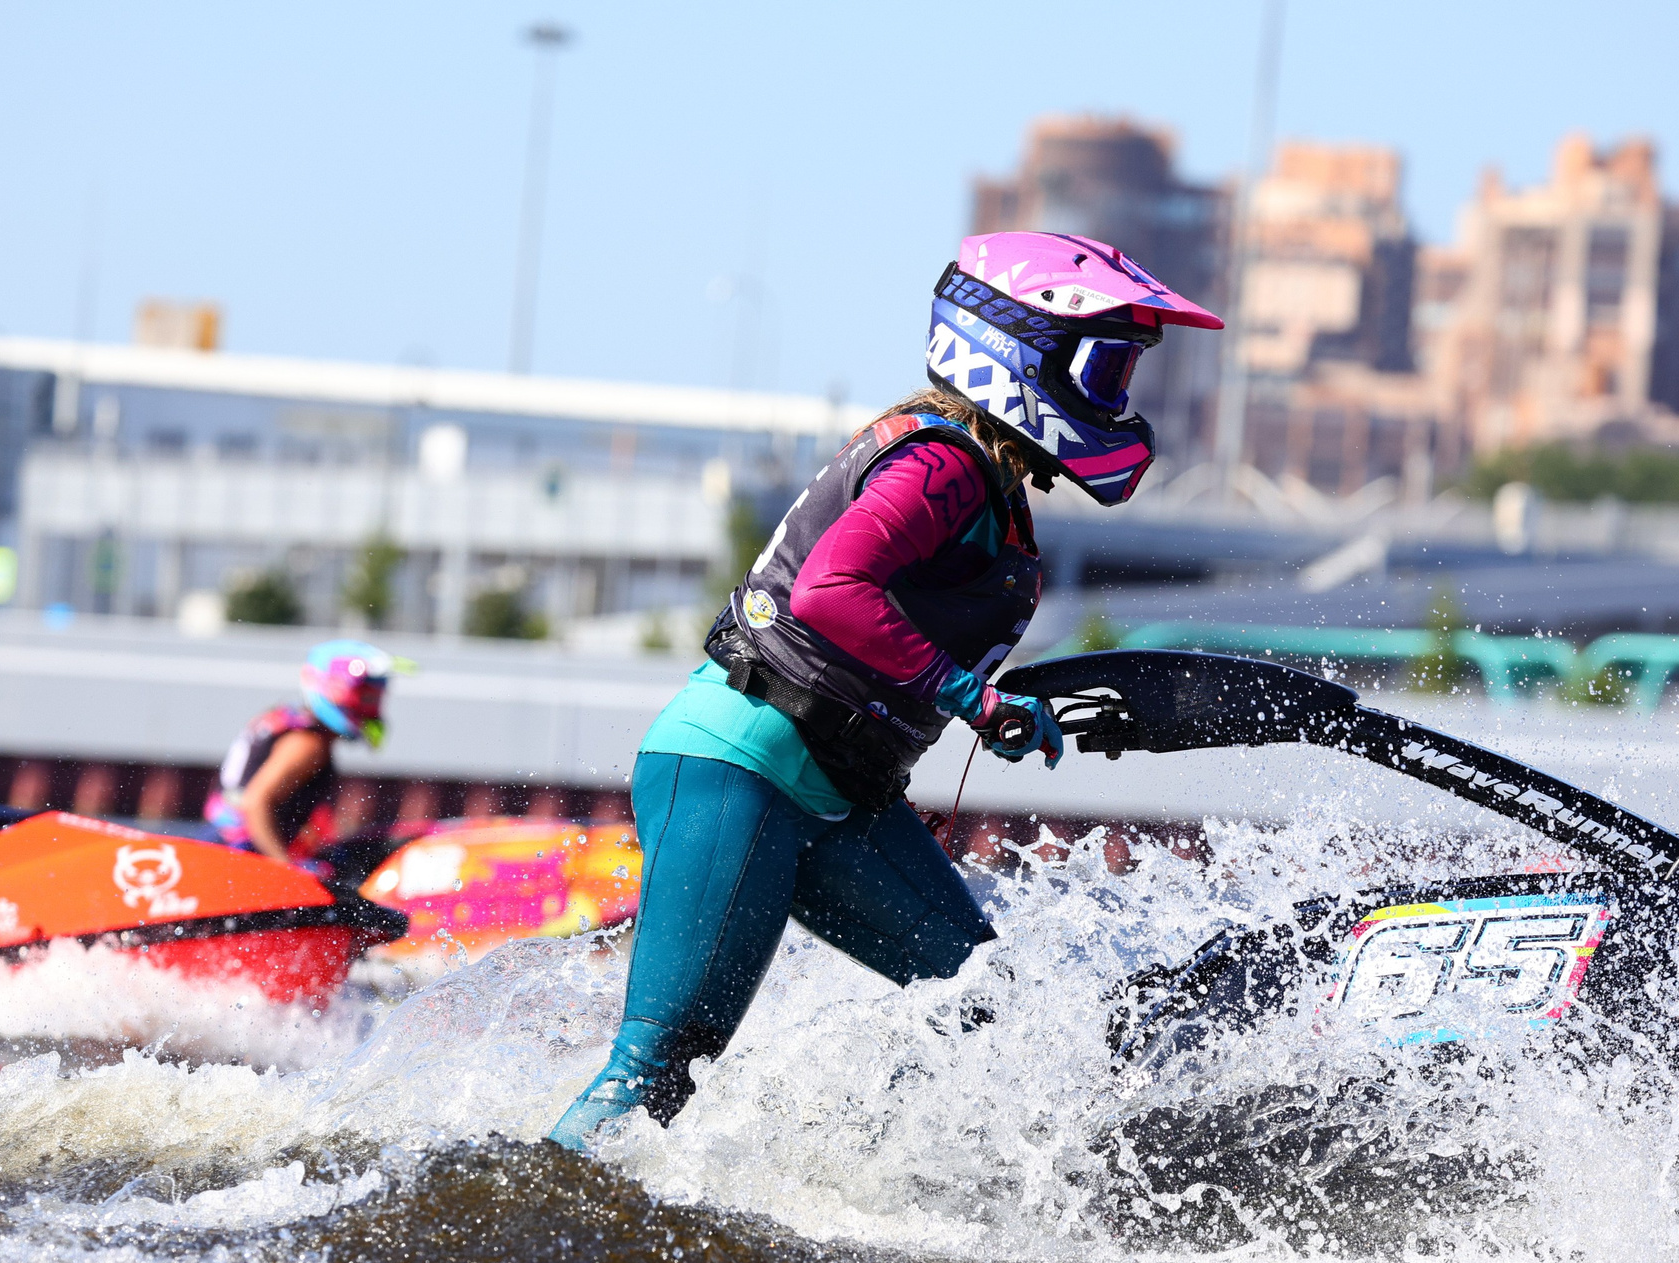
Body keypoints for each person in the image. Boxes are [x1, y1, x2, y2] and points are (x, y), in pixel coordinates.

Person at [546, 232, 1220, 1150]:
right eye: (1102, 367)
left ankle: (866, 1174)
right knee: (661, 1063)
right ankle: (531, 1242)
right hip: (741, 764)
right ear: (1019, 352)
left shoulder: (976, 475)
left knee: (985, 1012)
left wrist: (985, 703)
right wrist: (968, 696)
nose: (1115, 398)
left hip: (832, 797)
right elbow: (831, 590)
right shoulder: (943, 462)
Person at [205, 639, 392, 867]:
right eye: (365, 696)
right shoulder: (308, 743)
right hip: (236, 854)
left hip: (223, 844)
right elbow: (255, 803)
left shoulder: (292, 719)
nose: (371, 705)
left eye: (375, 696)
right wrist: (286, 871)